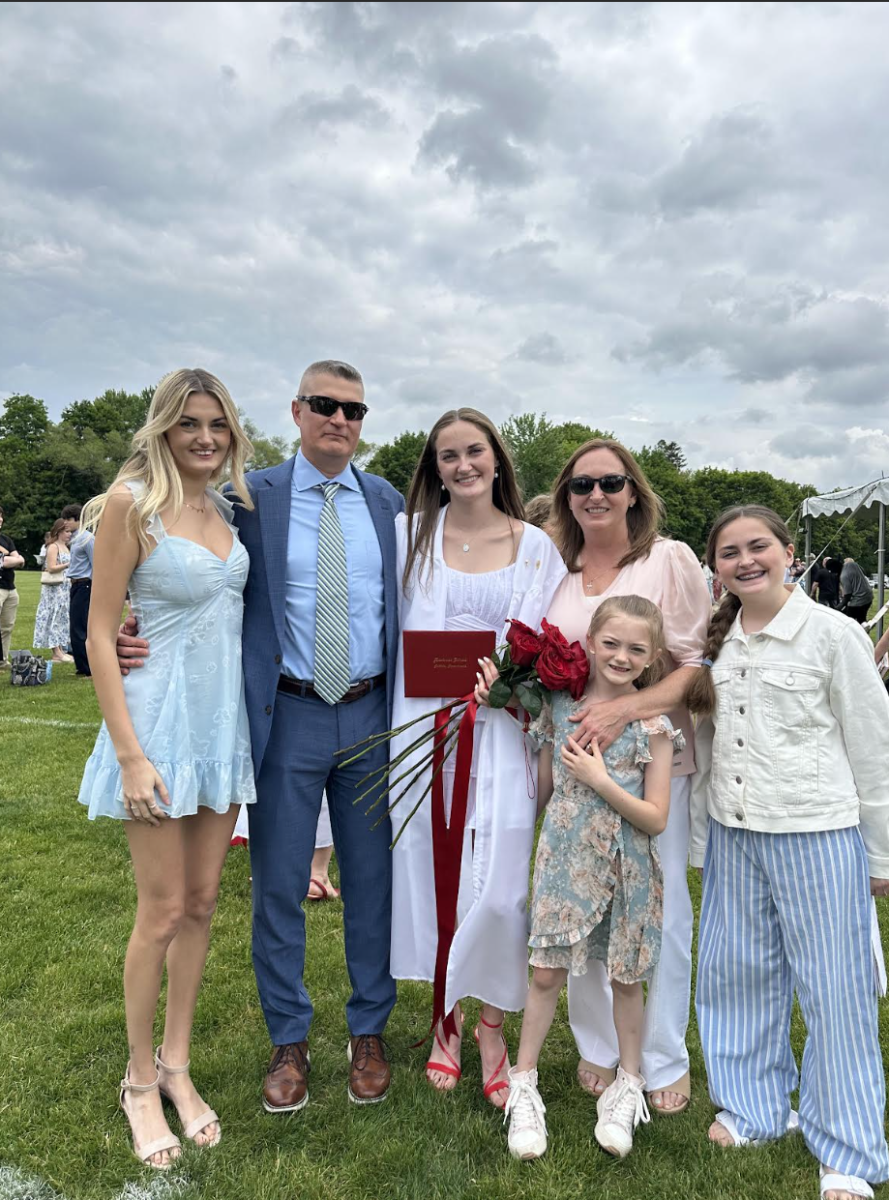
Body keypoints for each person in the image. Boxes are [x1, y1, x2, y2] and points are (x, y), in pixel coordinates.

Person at [118, 360, 403, 1113]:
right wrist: (122, 627)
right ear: (297, 411)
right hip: (285, 714)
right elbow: (179, 564)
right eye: (323, 405)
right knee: (277, 882)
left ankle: (367, 1030)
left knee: (370, 882)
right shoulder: (250, 498)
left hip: (371, 715)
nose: (338, 419)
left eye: (353, 409)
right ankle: (289, 1038)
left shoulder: (389, 504)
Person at [78, 368, 256, 1169]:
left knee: (204, 901)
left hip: (222, 729)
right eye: (190, 424)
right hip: (155, 729)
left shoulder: (225, 507)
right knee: (159, 911)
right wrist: (129, 755)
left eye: (217, 424)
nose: (205, 438)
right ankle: (139, 1080)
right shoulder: (131, 503)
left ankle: (178, 1064)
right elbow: (98, 633)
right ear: (162, 428)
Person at [687, 505, 889, 1200]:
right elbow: (708, 748)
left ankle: (849, 1146)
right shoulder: (717, 643)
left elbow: (872, 747)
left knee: (835, 992)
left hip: (816, 833)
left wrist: (881, 855)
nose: (745, 561)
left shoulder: (833, 635)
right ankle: (754, 1108)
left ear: (787, 552)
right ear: (712, 566)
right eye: (728, 552)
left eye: (758, 547)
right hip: (734, 834)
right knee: (735, 975)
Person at [390, 409, 566, 1107]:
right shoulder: (407, 535)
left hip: (500, 731)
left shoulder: (533, 548)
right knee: (432, 874)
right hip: (420, 724)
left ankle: (493, 1021)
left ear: (497, 459)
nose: (462, 465)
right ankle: (445, 1020)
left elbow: (544, 639)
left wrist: (512, 684)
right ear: (433, 469)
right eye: (447, 456)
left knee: (498, 884)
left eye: (474, 452)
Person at [544, 438, 711, 1116]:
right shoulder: (553, 566)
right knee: (586, 906)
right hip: (574, 766)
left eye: (610, 482)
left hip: (648, 763)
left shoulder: (667, 561)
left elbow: (695, 664)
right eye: (581, 485)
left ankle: (664, 1054)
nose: (596, 495)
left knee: (656, 913)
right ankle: (599, 1044)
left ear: (633, 491)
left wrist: (624, 711)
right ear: (566, 496)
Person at [501, 596, 681, 1160]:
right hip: (565, 859)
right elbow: (548, 789)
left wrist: (602, 780)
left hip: (628, 864)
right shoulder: (561, 705)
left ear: (652, 658)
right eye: (611, 643)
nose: (621, 656)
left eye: (636, 649)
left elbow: (655, 818)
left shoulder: (654, 726)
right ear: (591, 643)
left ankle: (628, 1086)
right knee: (546, 973)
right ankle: (522, 1085)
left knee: (626, 979)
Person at [33, 518, 73, 663]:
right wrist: (69, 564)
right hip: (54, 588)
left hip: (64, 587)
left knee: (62, 618)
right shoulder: (53, 547)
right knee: (53, 617)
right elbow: (51, 567)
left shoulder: (66, 546)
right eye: (67, 531)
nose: (69, 534)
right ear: (59, 531)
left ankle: (60, 650)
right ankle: (56, 651)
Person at [67, 519, 95, 676]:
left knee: (80, 627)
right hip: (75, 585)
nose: (65, 523)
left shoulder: (88, 538)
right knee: (75, 626)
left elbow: (96, 563)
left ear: (78, 519)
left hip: (85, 585)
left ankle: (87, 668)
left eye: (68, 519)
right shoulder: (75, 539)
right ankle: (81, 666)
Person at [0, 506, 25, 667]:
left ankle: (3, 660)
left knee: (7, 627)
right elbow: (8, 561)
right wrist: (9, 559)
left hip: (10, 588)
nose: (1, 519)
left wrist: (7, 559)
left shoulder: (6, 539)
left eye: (1, 516)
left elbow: (21, 561)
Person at [839, 556, 873, 624]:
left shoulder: (845, 575)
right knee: (861, 617)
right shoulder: (859, 571)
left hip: (858, 599)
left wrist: (841, 605)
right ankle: (863, 625)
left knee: (849, 618)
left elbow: (848, 593)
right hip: (868, 596)